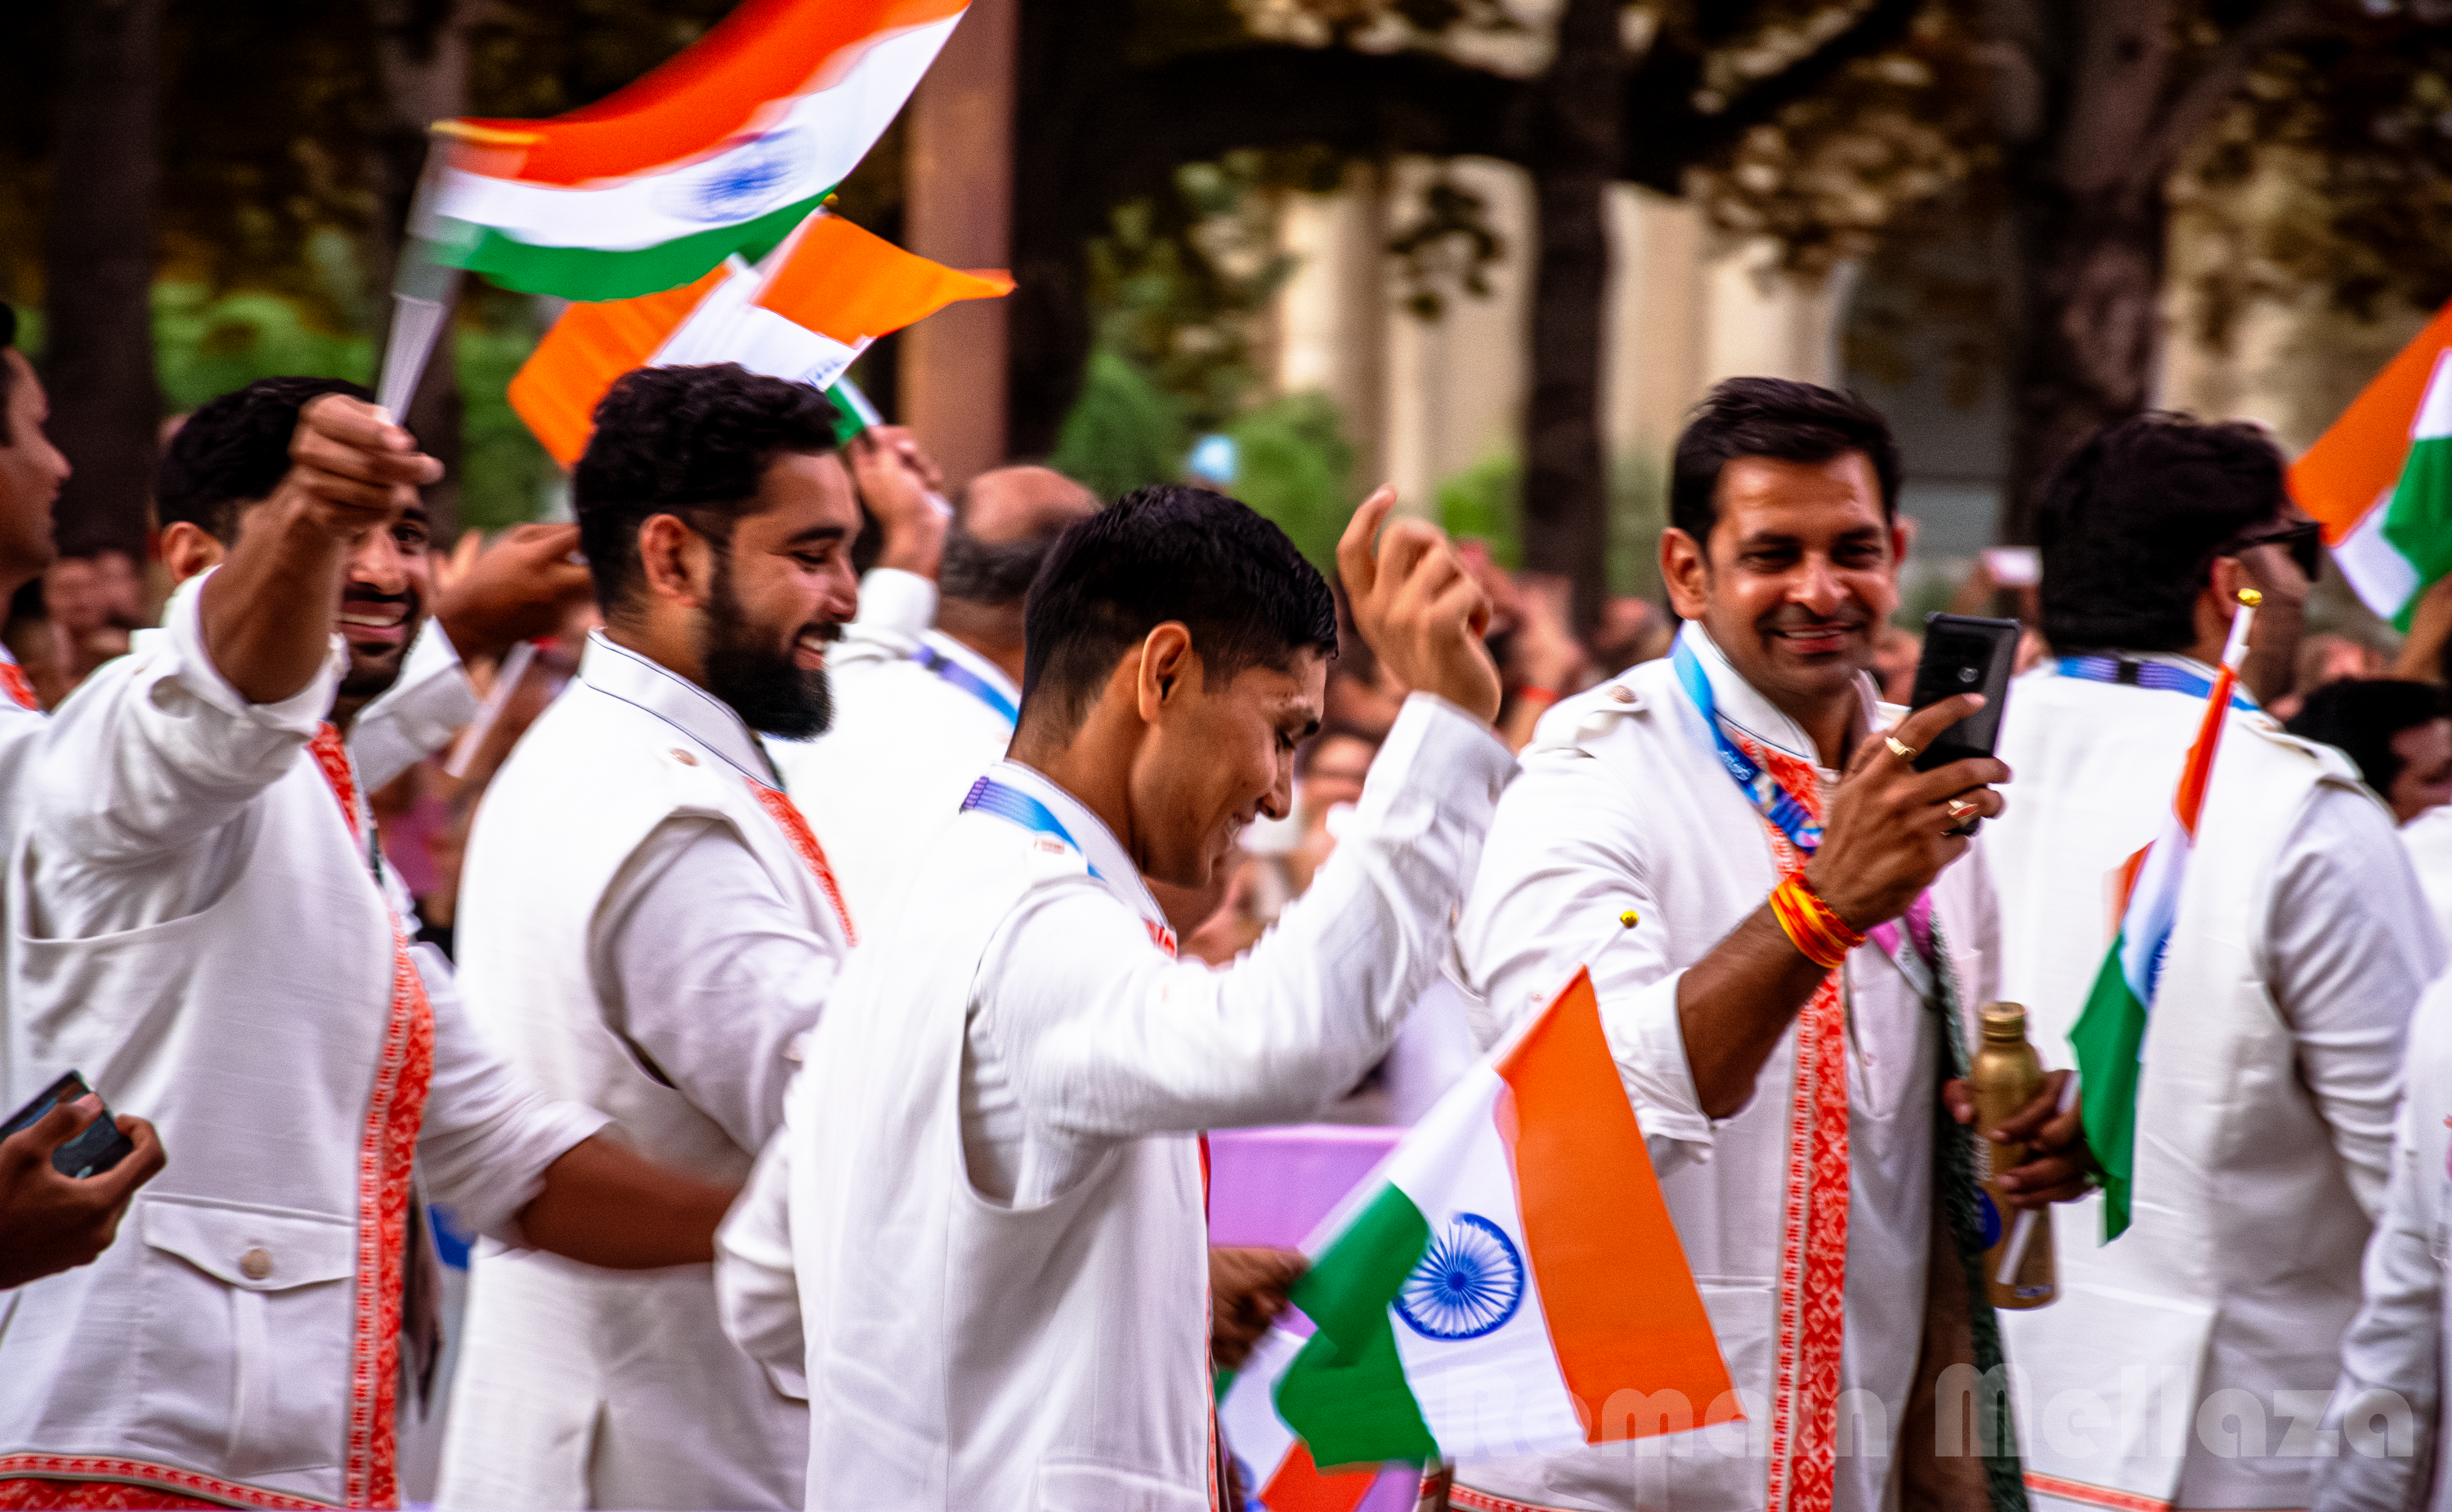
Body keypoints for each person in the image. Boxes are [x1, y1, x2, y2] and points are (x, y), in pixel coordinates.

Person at [0, 382, 741, 1511]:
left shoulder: (327, 823)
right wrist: (312, 522)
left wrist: (817, 1233)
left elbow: (509, 1156)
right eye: (345, 531)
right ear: (193, 555)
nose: (390, 571)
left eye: (408, 535)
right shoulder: (116, 753)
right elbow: (212, 716)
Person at [713, 481, 1508, 1510]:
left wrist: (1133, 1305)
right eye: (1283, 730)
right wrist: (1448, 726)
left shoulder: (940, 901)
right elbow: (1290, 1035)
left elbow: (768, 1285)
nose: (1277, 793)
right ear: (1165, 671)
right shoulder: (1035, 920)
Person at [1451, 377, 2080, 1512]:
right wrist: (1820, 907)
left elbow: (1926, 1158)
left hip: (1853, 1460)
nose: (1820, 589)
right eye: (1772, 553)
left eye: (1851, 548)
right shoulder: (1592, 775)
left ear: (1896, 550)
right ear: (1687, 570)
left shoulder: (1928, 781)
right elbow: (1592, 1113)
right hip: (1604, 1477)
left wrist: (2024, 1135)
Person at [432, 366, 941, 1512]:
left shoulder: (597, 752)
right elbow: (867, 1136)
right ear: (672, 558)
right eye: (810, 555)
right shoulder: (663, 816)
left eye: (851, 554)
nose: (848, 596)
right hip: (666, 1456)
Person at [1984, 414, 2443, 1512]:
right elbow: (2421, 1198)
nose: (2306, 586)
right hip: (2247, 1455)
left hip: (1956, 1433)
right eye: (2300, 549)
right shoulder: (2301, 813)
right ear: (2230, 581)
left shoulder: (1928, 778)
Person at [768, 448, 1098, 917]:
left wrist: (916, 530)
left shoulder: (840, 690)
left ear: (940, 568)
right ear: (1086, 606)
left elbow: (881, 622)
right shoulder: (1028, 802)